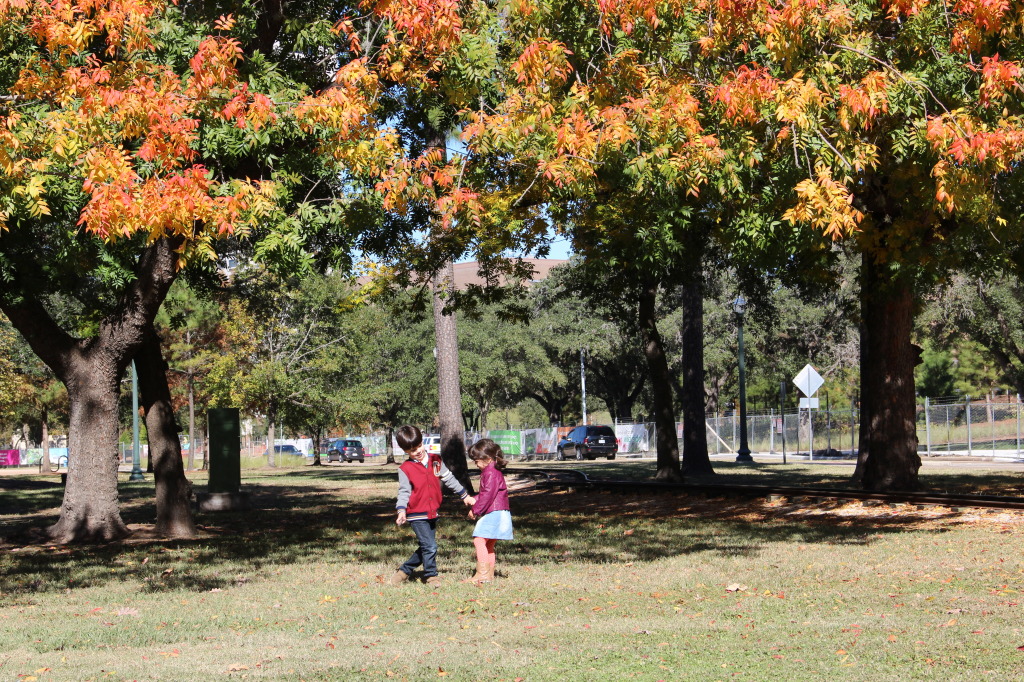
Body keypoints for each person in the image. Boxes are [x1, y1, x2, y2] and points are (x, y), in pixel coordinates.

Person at [391, 425, 474, 586]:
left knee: (426, 547)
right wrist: (401, 511)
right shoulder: (405, 469)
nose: (418, 451)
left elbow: (449, 479)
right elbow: (403, 492)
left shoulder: (435, 460)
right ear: (405, 451)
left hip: (432, 512)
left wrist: (464, 495)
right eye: (413, 450)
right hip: (416, 514)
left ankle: (404, 571)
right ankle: (431, 575)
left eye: (419, 445)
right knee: (430, 546)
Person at [463, 438, 513, 584]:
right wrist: (474, 498)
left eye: (477, 460)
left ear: (488, 459)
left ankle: (482, 574)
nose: (475, 464)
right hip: (501, 512)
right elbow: (487, 493)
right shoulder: (493, 472)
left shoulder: (489, 473)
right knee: (488, 544)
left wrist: (476, 510)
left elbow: (488, 495)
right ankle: (488, 574)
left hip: (494, 513)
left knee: (479, 540)